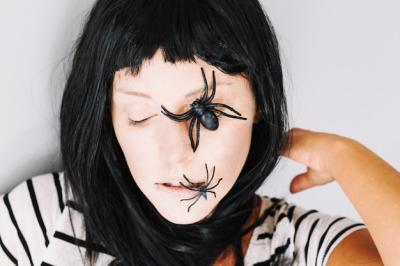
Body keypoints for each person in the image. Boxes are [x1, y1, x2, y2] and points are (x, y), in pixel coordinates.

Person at [0, 0, 398, 265]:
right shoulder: (45, 220)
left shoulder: (295, 243)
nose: (175, 156)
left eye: (207, 113)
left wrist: (343, 156)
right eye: (139, 115)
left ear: (258, 104)